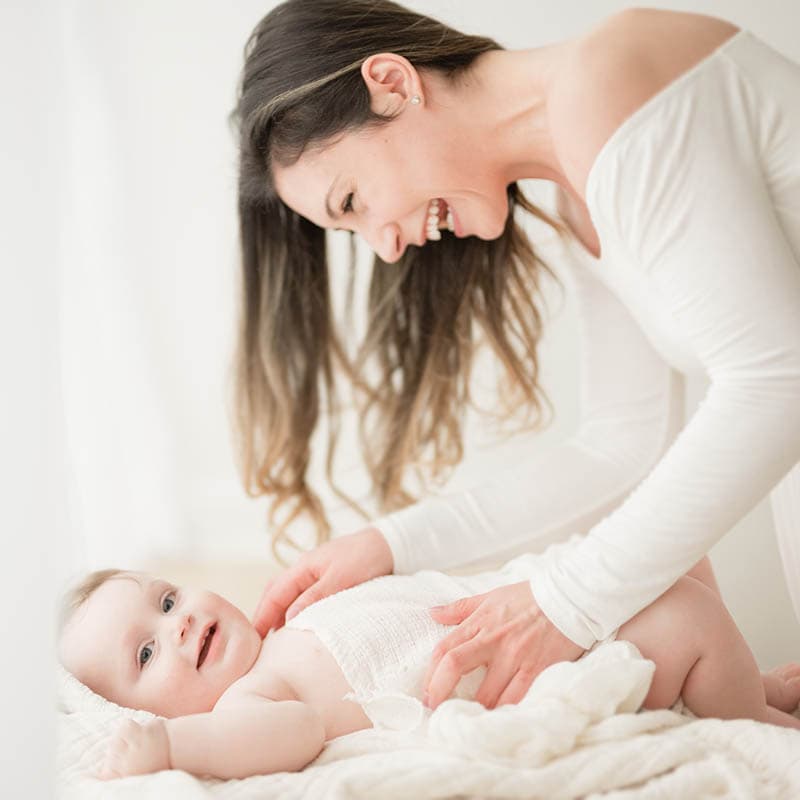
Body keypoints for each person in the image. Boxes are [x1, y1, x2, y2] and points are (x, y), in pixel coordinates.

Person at [232, 1, 800, 712]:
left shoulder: (610, 79)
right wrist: (393, 543)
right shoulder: (577, 188)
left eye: (354, 201)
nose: (386, 245)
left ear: (391, 82)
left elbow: (779, 378)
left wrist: (565, 603)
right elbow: (621, 446)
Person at [60, 564, 800, 780]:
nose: (178, 622)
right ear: (149, 713)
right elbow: (293, 731)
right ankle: (759, 721)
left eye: (165, 599)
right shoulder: (247, 701)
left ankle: (739, 685)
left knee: (681, 562)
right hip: (529, 671)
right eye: (148, 653)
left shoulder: (284, 629)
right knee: (681, 614)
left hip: (525, 610)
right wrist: (171, 748)